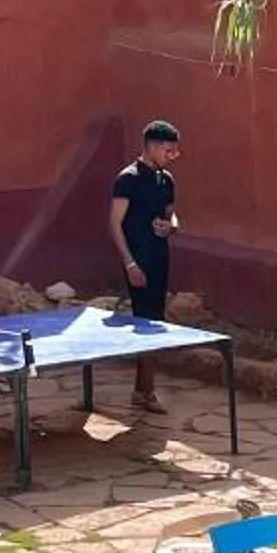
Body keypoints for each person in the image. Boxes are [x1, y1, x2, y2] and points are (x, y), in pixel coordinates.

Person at [109, 121, 181, 414]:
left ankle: (141, 390)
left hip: (160, 259)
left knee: (155, 322)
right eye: (168, 149)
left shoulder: (167, 180)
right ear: (151, 146)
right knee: (145, 323)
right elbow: (114, 223)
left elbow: (173, 218)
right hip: (137, 261)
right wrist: (129, 263)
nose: (172, 155)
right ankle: (146, 391)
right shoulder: (128, 179)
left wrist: (170, 228)